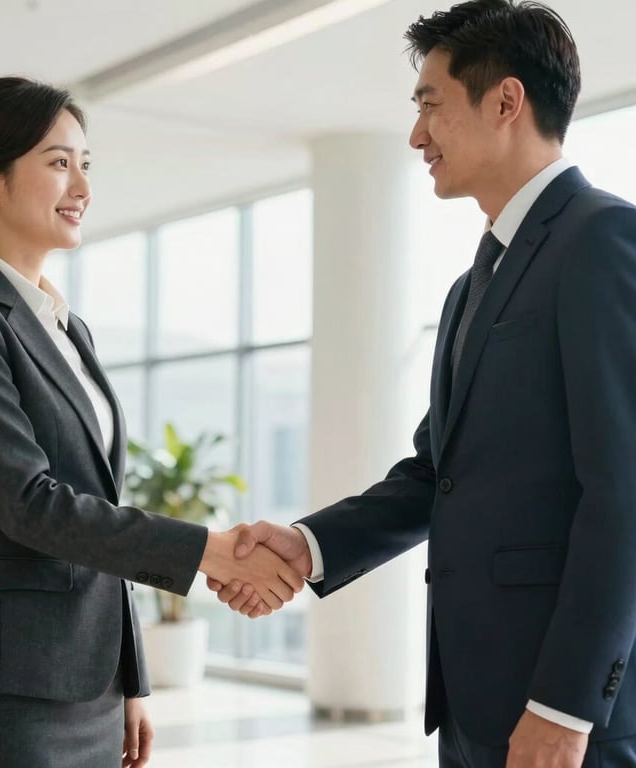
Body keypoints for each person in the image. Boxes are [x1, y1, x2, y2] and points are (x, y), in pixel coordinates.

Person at [210, 1, 636, 765]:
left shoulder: (602, 239)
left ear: (506, 101)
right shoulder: (471, 287)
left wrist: (565, 706)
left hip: (561, 716)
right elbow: (437, 475)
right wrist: (308, 546)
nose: (416, 136)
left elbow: (627, 491)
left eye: (430, 106)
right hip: (473, 705)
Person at [0, 76, 303, 768]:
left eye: (86, 165)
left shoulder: (67, 327)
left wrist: (131, 679)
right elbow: (29, 506)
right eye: (59, 163)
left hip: (88, 690)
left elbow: (97, 508)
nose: (82, 187)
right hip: (4, 696)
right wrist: (210, 549)